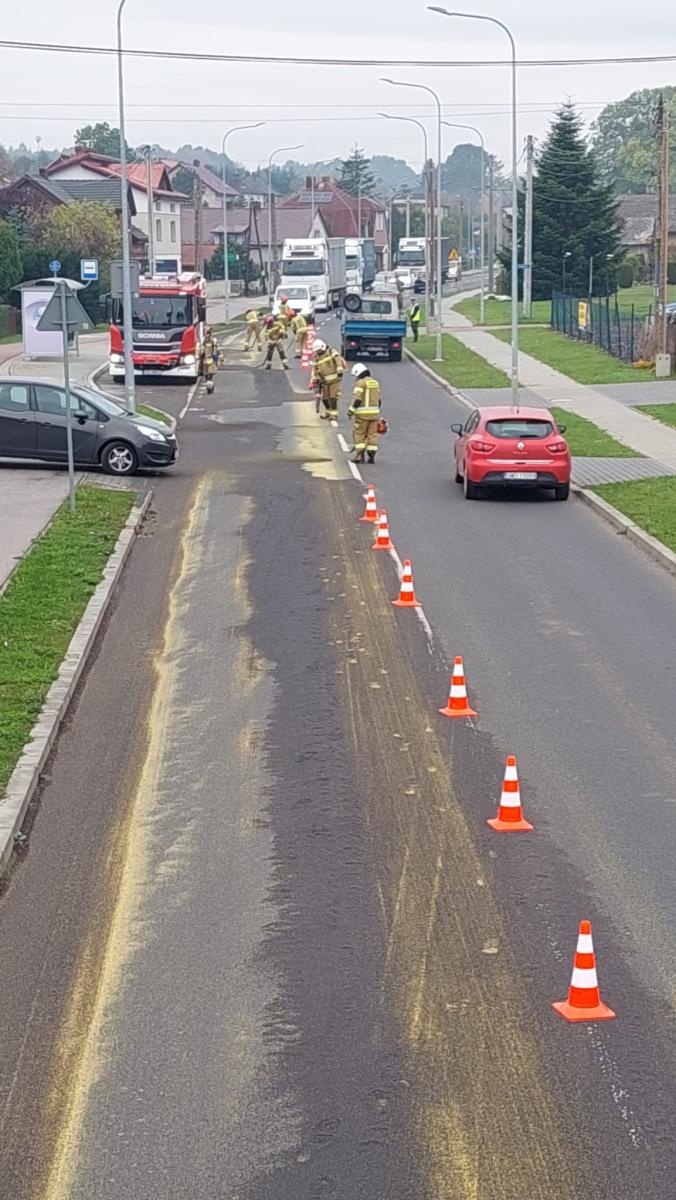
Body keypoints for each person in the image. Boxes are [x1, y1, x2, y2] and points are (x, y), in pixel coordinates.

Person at [348, 362, 382, 464]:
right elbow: (379, 400)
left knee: (359, 434)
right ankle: (371, 456)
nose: (356, 378)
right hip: (374, 414)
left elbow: (357, 400)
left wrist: (351, 411)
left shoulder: (360, 383)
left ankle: (359, 456)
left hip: (362, 415)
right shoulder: (375, 383)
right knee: (372, 435)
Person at [311, 339, 344, 419]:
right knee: (325, 398)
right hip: (324, 381)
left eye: (318, 350)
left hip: (335, 380)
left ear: (322, 347)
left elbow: (338, 360)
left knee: (333, 397)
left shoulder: (331, 352)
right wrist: (314, 378)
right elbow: (315, 368)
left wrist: (339, 369)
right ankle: (328, 411)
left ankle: (334, 414)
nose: (317, 352)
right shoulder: (317, 357)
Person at [200, 327, 220, 393]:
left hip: (211, 360)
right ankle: (209, 386)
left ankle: (210, 386)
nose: (206, 335)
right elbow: (200, 351)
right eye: (206, 334)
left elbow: (217, 350)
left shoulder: (214, 341)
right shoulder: (202, 341)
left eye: (208, 334)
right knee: (205, 375)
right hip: (204, 361)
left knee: (210, 375)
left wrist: (220, 358)